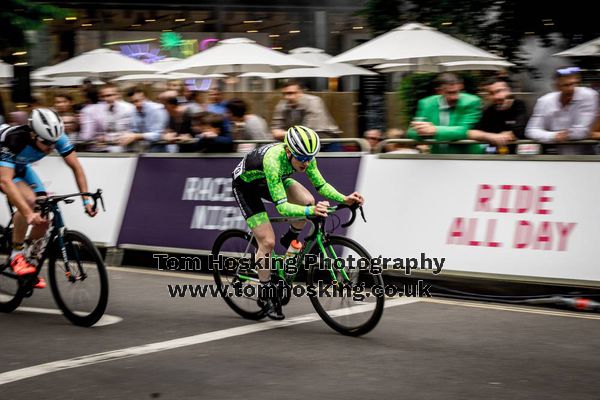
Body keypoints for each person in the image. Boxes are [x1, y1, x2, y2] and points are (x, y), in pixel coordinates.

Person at [231, 125, 364, 320]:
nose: (306, 162)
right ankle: (267, 293)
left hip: (273, 180)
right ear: (288, 151)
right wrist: (312, 211)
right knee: (267, 242)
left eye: (310, 157)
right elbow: (282, 207)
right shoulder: (273, 161)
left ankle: (290, 237)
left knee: (308, 200)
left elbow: (321, 185)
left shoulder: (307, 157)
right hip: (246, 187)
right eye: (301, 158)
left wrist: (345, 199)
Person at [0, 109, 97, 288]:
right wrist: (28, 213)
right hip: (4, 169)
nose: (51, 148)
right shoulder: (14, 140)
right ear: (33, 134)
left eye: (54, 143)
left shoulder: (56, 137)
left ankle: (30, 259)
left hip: (21, 166)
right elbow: (5, 181)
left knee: (44, 214)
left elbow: (76, 167)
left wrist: (86, 200)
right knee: (29, 202)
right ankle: (16, 255)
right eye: (46, 143)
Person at [526, 66, 599, 155]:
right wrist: (553, 136)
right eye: (566, 85)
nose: (572, 88)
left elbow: (583, 131)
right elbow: (531, 130)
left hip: (587, 158)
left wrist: (565, 135)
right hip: (556, 159)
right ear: (556, 87)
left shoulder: (588, 95)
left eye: (575, 84)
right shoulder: (545, 101)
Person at [406, 73, 483, 154]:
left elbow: (463, 131)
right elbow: (411, 132)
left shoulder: (472, 102)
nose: (454, 97)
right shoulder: (426, 103)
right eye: (450, 93)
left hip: (466, 157)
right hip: (438, 157)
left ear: (461, 87)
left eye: (457, 92)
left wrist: (434, 130)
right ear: (439, 91)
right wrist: (422, 131)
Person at [271, 80, 341, 150]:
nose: (287, 97)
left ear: (301, 93)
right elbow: (275, 129)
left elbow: (308, 132)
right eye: (284, 94)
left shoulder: (313, 102)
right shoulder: (282, 105)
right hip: (300, 143)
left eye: (291, 93)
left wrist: (283, 134)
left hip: (326, 143)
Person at [468, 76, 528, 153]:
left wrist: (507, 135)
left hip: (520, 158)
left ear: (509, 91)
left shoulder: (520, 105)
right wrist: (492, 136)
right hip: (495, 157)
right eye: (491, 93)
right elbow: (471, 133)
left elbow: (519, 131)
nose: (496, 97)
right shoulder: (490, 110)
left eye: (499, 91)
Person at [79, 83, 135, 152]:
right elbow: (108, 131)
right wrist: (101, 138)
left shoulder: (129, 108)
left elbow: (134, 130)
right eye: (103, 96)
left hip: (126, 151)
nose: (106, 99)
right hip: (108, 150)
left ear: (118, 95)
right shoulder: (102, 109)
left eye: (109, 95)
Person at [120, 87, 168, 152]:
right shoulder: (134, 110)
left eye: (137, 101)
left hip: (159, 152)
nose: (135, 104)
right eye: (132, 102)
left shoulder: (157, 110)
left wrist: (136, 136)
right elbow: (134, 130)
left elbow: (158, 135)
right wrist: (127, 135)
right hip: (143, 151)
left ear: (144, 98)